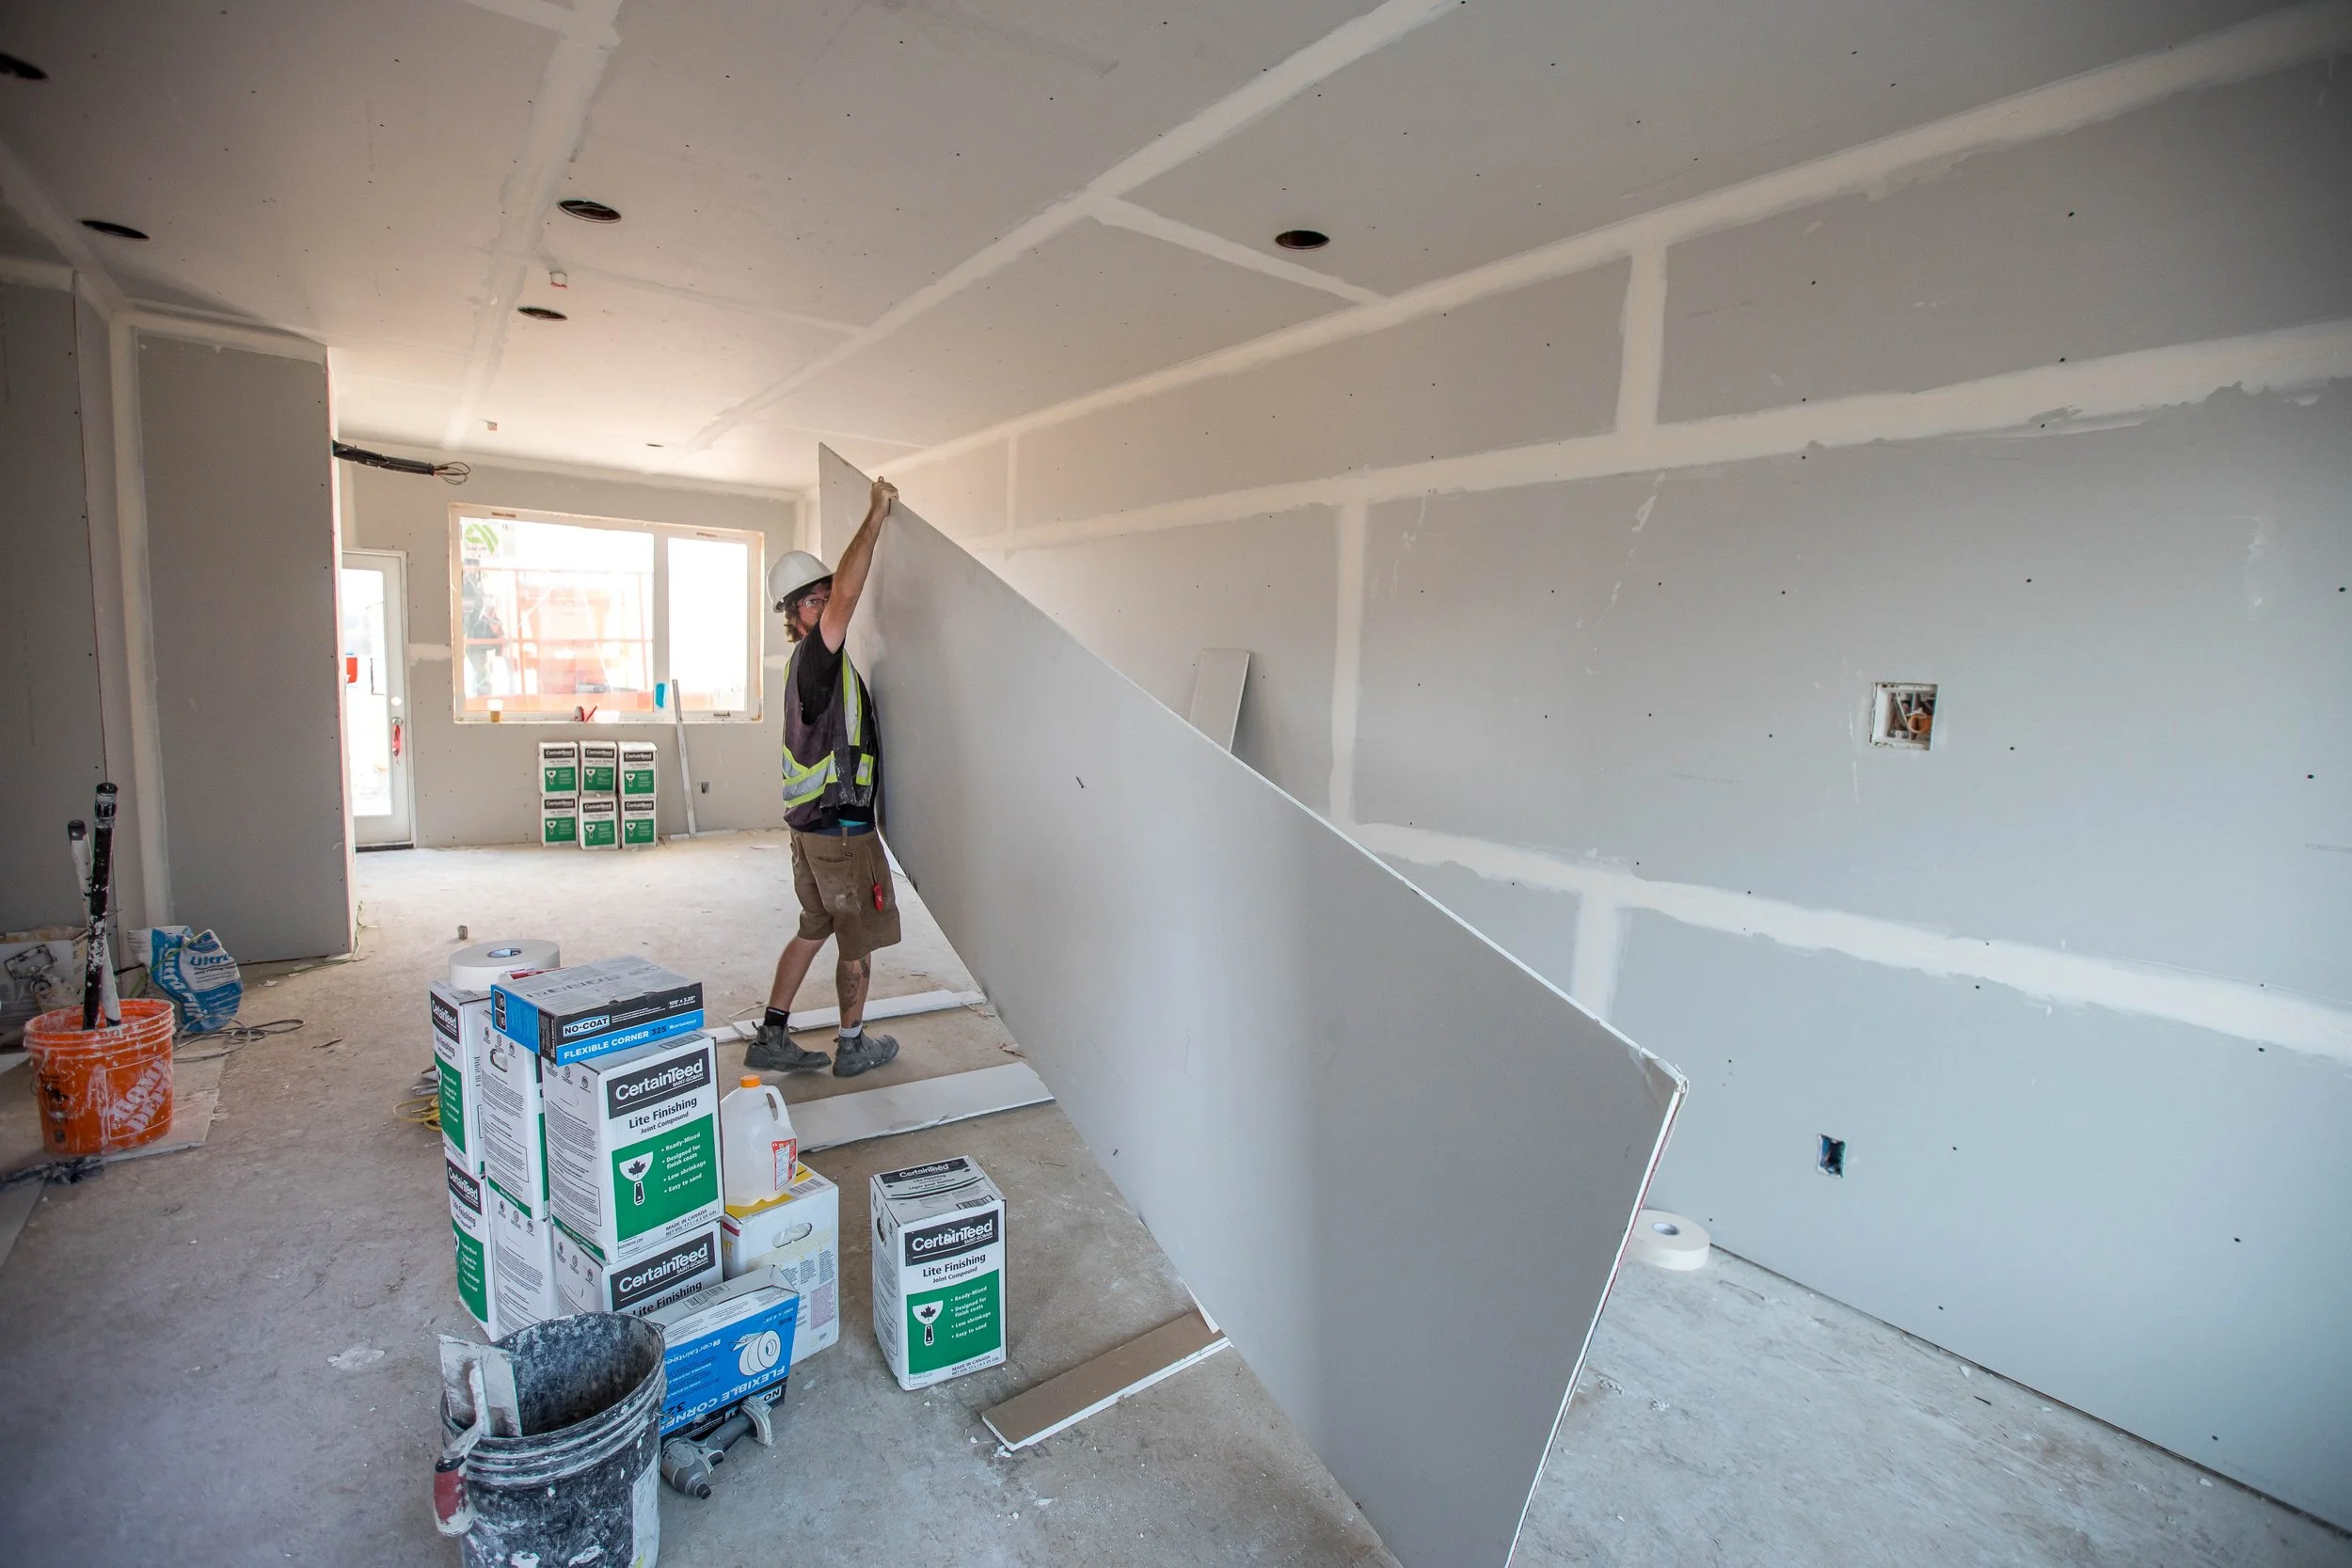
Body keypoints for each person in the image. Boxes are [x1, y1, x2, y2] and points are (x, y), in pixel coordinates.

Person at [746, 476, 903, 1078]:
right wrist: (875, 514)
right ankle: (853, 1043)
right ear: (796, 615)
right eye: (812, 600)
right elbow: (847, 596)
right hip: (840, 833)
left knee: (812, 930)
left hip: (810, 832)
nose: (825, 603)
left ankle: (773, 1034)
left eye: (822, 597)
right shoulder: (816, 659)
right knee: (855, 942)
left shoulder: (813, 669)